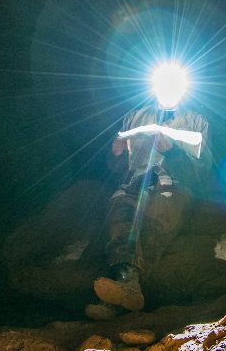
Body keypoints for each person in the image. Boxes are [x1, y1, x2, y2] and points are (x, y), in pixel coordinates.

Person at [86, 85, 210, 320]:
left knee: (158, 215)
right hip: (136, 181)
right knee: (120, 211)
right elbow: (116, 167)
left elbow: (202, 170)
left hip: (173, 183)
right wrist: (115, 152)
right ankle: (125, 284)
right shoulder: (134, 117)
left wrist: (173, 153)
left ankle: (119, 297)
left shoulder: (196, 121)